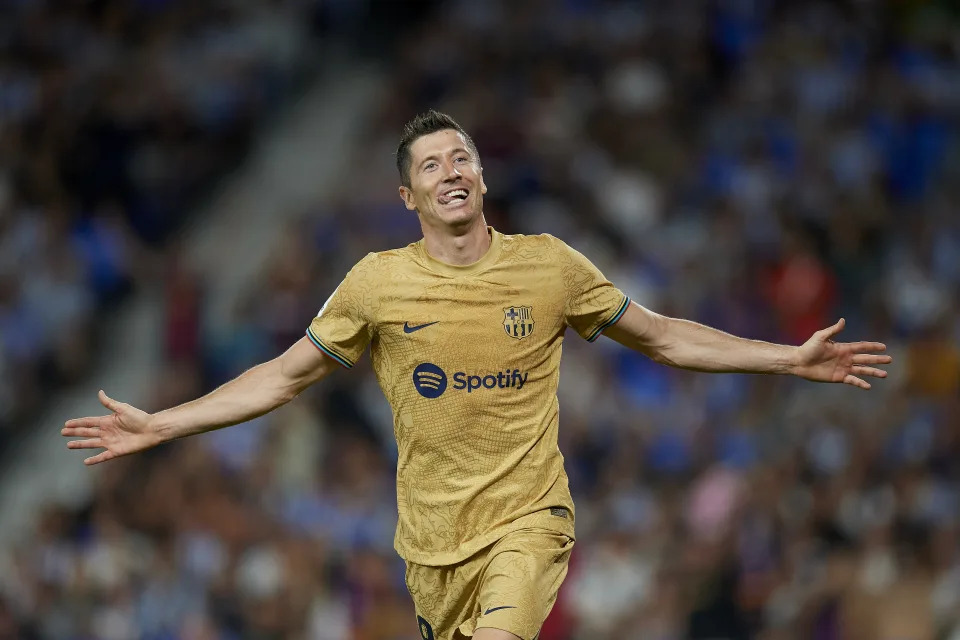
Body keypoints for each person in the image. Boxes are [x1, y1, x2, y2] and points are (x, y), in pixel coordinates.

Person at [62, 110, 892, 640]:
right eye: (431, 165)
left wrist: (785, 357)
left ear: (483, 178)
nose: (451, 171)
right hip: (431, 551)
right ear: (407, 194)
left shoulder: (550, 268)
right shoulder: (376, 284)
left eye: (462, 157)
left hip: (529, 523)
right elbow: (280, 378)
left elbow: (665, 338)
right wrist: (164, 422)